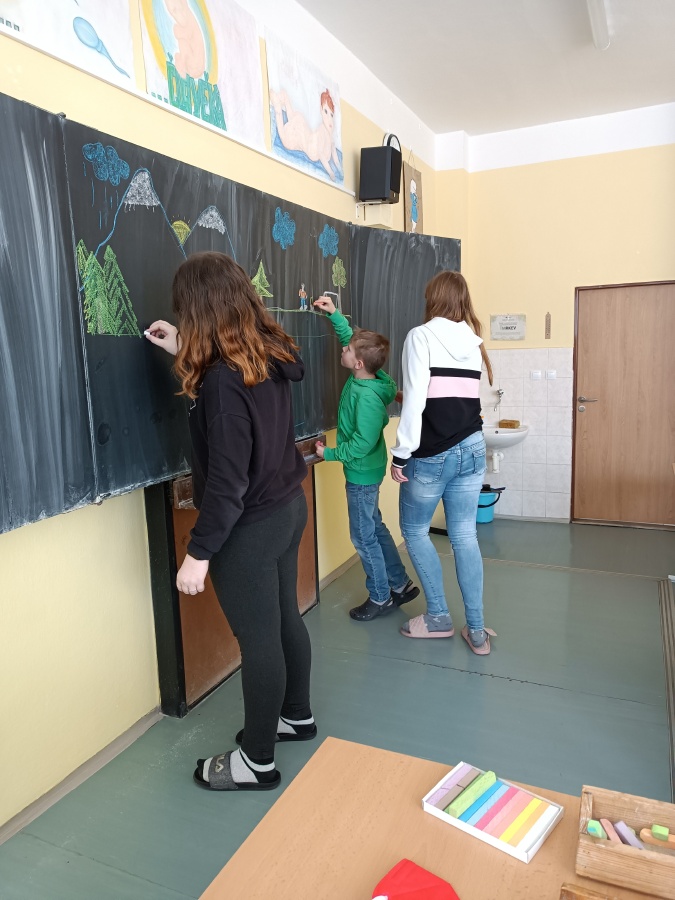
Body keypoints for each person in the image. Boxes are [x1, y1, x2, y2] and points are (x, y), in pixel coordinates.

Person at [145, 252, 315, 792]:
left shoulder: (222, 382)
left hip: (250, 528)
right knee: (284, 619)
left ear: (199, 310)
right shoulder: (266, 353)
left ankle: (257, 762)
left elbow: (226, 481)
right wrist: (182, 349)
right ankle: (296, 716)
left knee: (258, 641)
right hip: (287, 508)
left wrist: (198, 553)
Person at [390, 271, 496, 654]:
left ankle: (438, 617)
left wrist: (400, 453)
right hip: (473, 446)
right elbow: (458, 398)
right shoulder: (473, 341)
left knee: (415, 530)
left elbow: (417, 400)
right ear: (463, 300)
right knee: (465, 535)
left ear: (432, 298)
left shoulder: (421, 336)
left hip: (433, 452)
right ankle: (477, 630)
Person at [312, 294, 419, 621]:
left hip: (361, 473)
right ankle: (399, 583)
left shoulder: (368, 398)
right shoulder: (374, 379)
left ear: (358, 363)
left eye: (347, 350)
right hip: (366, 471)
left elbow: (360, 444)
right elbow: (353, 341)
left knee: (363, 536)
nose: (343, 350)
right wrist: (335, 315)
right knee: (375, 527)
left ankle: (380, 596)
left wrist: (330, 453)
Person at [270, 87, 342, 182]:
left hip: (303, 133)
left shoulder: (330, 138)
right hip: (300, 137)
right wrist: (331, 172)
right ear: (321, 110)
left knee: (294, 120)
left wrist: (340, 171)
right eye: (326, 112)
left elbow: (336, 159)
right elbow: (321, 154)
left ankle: (283, 101)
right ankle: (278, 108)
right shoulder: (322, 130)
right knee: (286, 138)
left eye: (331, 114)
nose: (329, 118)